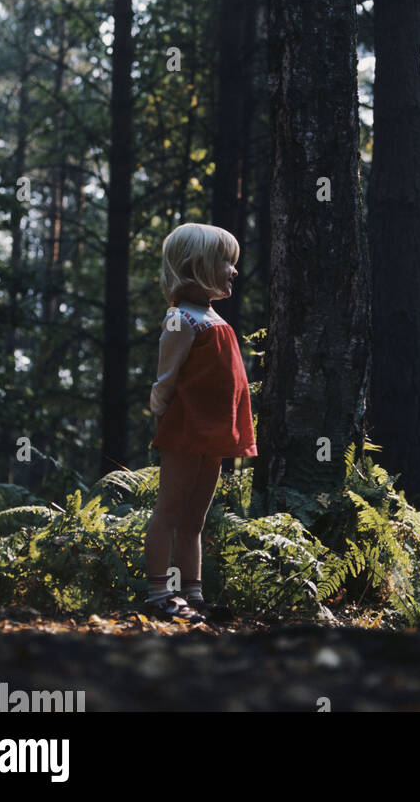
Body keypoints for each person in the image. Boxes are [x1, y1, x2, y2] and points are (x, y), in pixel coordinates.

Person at [143, 223, 257, 624]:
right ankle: (159, 593)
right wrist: (163, 418)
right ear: (198, 265)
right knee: (170, 510)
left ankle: (193, 594)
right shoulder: (181, 320)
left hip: (215, 431)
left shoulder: (213, 317)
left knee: (196, 518)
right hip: (186, 429)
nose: (234, 270)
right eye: (227, 261)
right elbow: (166, 379)